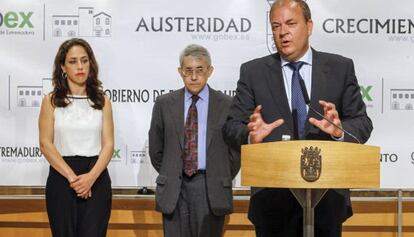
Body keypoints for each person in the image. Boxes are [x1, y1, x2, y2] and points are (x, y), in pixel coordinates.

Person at [222, 0, 373, 236]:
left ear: (309, 25)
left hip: (327, 198)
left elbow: (362, 124)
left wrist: (338, 131)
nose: (282, 33)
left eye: (291, 23)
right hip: (272, 200)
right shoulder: (253, 72)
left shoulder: (340, 68)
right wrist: (251, 136)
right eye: (275, 26)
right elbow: (231, 127)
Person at [148, 44, 240, 237]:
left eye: (200, 70)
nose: (194, 76)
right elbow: (156, 149)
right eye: (188, 70)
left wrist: (217, 175)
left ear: (210, 71)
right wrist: (171, 171)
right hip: (174, 188)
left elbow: (235, 152)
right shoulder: (164, 104)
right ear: (180, 71)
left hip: (210, 188)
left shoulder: (227, 105)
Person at [38, 38, 114, 237]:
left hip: (96, 177)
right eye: (72, 61)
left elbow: (108, 145)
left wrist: (90, 178)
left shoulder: (103, 101)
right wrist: (74, 179)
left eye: (84, 60)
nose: (80, 66)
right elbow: (46, 144)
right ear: (62, 67)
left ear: (91, 64)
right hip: (62, 179)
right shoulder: (51, 101)